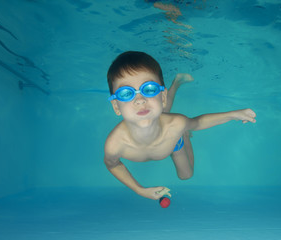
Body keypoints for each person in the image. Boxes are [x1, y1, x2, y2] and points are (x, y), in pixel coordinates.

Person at [104, 51, 256, 200]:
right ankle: (175, 84)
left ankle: (176, 95)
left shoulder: (176, 124)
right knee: (160, 113)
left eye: (149, 89)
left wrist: (234, 114)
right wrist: (140, 190)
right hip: (166, 127)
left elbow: (197, 123)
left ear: (163, 95)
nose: (140, 99)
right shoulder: (114, 145)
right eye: (125, 93)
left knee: (186, 174)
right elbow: (113, 165)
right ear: (116, 106)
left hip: (171, 137)